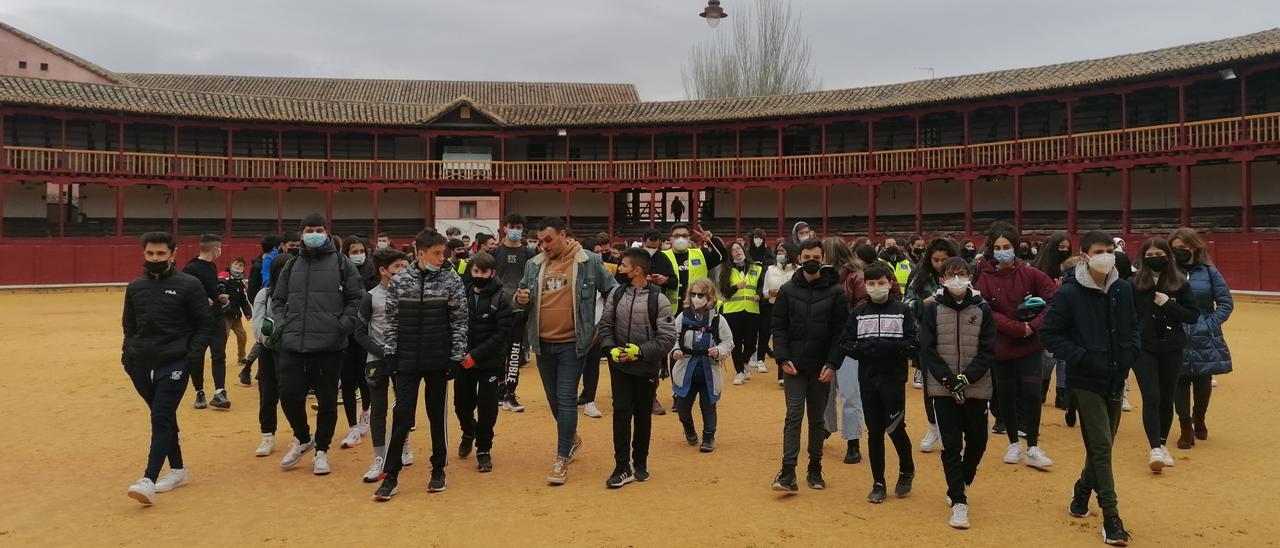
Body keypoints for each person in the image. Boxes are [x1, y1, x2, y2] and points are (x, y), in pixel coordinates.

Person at [1040, 230, 1137, 546]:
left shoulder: (1122, 288)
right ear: (1084, 255)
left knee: (1103, 445)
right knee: (1100, 446)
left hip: (1115, 377)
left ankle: (1081, 494)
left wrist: (1129, 354)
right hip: (1085, 379)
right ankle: (1111, 517)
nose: (1107, 255)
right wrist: (1083, 357)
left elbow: (1133, 328)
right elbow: (1050, 335)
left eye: (1110, 249)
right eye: (1099, 250)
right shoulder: (1069, 294)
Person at [513, 216, 617, 485]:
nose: (544, 245)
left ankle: (561, 458)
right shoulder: (533, 265)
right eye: (540, 241)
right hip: (542, 343)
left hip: (574, 343)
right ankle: (571, 438)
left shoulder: (590, 262)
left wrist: (600, 326)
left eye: (549, 239)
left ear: (563, 234)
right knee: (554, 401)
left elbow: (613, 293)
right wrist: (520, 298)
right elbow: (521, 298)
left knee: (567, 398)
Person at [373, 229, 468, 500]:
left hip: (438, 359)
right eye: (437, 253)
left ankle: (438, 469)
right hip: (406, 360)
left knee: (437, 415)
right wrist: (390, 353)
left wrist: (455, 357)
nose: (442, 258)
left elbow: (459, 322)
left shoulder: (452, 281)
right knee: (402, 415)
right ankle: (390, 475)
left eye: (443, 253)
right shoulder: (400, 281)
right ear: (421, 253)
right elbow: (391, 321)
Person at [121, 232, 215, 505]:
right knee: (164, 417)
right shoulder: (135, 287)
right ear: (144, 253)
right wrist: (127, 357)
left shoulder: (189, 285)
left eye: (161, 254)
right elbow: (129, 326)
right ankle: (178, 470)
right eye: (150, 253)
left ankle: (148, 479)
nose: (155, 258)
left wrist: (190, 358)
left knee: (160, 417)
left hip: (174, 362)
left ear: (173, 254)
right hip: (140, 364)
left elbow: (205, 324)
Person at [270, 214, 366, 476]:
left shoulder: (341, 262)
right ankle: (303, 438)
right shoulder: (292, 265)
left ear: (327, 232)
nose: (314, 233)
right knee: (288, 395)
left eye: (319, 229)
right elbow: (277, 300)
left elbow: (356, 298)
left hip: (328, 343)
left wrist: (342, 325)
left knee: (326, 400)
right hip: (293, 341)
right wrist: (282, 324)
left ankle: (322, 450)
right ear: (301, 234)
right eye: (309, 230)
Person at [918, 256, 996, 529]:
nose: (956, 279)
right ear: (941, 280)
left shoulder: (983, 309)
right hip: (942, 387)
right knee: (951, 445)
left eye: (961, 274)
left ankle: (963, 477)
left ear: (970, 276)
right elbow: (927, 348)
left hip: (977, 385)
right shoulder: (933, 309)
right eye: (950, 275)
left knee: (978, 442)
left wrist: (967, 377)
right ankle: (959, 500)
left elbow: (988, 349)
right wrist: (950, 380)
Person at [974, 225, 1058, 470]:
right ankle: (1013, 443)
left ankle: (1032, 445)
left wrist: (1032, 325)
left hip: (1030, 343)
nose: (1003, 252)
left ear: (1015, 247)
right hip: (1001, 345)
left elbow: (1054, 300)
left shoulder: (1031, 273)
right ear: (992, 249)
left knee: (1032, 394)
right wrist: (1015, 328)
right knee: (1006, 395)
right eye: (998, 248)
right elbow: (984, 308)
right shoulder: (984, 277)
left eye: (1007, 247)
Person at [770, 239, 848, 493]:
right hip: (793, 365)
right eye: (806, 256)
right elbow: (779, 328)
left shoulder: (836, 292)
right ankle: (787, 472)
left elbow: (840, 332)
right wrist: (782, 358)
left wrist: (833, 362)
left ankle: (815, 467)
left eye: (816, 256)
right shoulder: (787, 290)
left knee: (817, 419)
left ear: (823, 257)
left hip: (821, 366)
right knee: (793, 416)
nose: (810, 260)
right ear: (799, 258)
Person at [840, 262, 919, 504]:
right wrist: (863, 349)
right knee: (874, 432)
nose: (876, 287)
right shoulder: (859, 312)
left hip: (893, 379)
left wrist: (888, 347)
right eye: (871, 283)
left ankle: (907, 469)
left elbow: (914, 343)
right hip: (868, 379)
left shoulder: (902, 310)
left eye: (881, 283)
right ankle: (878, 482)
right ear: (865, 285)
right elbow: (846, 342)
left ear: (890, 283)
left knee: (895, 428)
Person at [598, 248, 677, 487]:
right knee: (621, 411)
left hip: (645, 368)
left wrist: (640, 352)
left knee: (643, 415)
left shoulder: (658, 300)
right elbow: (605, 324)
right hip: (619, 365)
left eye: (623, 265)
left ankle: (640, 461)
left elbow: (667, 338)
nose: (619, 268)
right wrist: (610, 348)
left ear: (637, 270)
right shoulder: (616, 294)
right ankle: (622, 466)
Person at [1131, 238, 1199, 471]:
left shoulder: (1180, 284)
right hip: (1144, 348)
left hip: (1172, 347)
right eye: (1149, 255)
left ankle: (1161, 443)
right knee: (1152, 396)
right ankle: (1155, 448)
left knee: (1167, 395)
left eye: (1158, 254)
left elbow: (1192, 315)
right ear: (1142, 258)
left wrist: (1169, 304)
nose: (1154, 258)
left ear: (1168, 256)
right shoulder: (1133, 284)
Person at [1169, 227, 1233, 450]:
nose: (1179, 252)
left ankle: (1200, 417)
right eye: (1174, 249)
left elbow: (1225, 303)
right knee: (1179, 379)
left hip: (1203, 333)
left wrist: (1208, 324)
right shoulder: (1168, 272)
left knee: (1203, 380)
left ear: (1195, 247)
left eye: (1183, 248)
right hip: (1175, 330)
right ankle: (1185, 425)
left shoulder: (1209, 272)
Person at [352, 249, 411, 482]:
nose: (402, 271)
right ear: (383, 271)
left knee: (404, 407)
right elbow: (359, 332)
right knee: (379, 409)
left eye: (404, 266)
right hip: (376, 360)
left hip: (404, 359)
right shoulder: (370, 297)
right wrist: (381, 351)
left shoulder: (411, 295)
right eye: (397, 267)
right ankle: (379, 459)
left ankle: (404, 444)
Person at [454, 251, 513, 473]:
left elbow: (501, 334)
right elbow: (456, 324)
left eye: (484, 271)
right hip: (463, 361)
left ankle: (483, 449)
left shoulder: (502, 298)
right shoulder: (462, 294)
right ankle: (468, 432)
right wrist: (461, 354)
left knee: (487, 409)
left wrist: (475, 356)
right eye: (475, 271)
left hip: (489, 363)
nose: (479, 275)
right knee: (461, 405)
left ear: (493, 273)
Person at [904, 238, 960, 453]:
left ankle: (952, 430)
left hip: (956, 337)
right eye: (935, 259)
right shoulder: (919, 276)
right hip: (926, 337)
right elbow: (906, 305)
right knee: (930, 386)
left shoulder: (961, 275)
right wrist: (925, 303)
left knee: (955, 383)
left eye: (944, 260)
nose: (939, 264)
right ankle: (933, 427)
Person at [671, 277, 734, 453]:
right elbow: (672, 338)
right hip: (686, 367)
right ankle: (689, 429)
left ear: (710, 296)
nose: (697, 298)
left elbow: (728, 342)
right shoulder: (683, 317)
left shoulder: (718, 320)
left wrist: (719, 351)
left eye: (701, 295)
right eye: (693, 294)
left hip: (709, 368)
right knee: (682, 407)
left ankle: (708, 437)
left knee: (708, 405)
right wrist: (675, 350)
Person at [493, 213, 536, 412]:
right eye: (512, 226)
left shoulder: (528, 253)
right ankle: (499, 391)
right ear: (505, 228)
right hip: (498, 309)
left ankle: (510, 393)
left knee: (515, 351)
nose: (515, 230)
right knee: (498, 352)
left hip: (520, 308)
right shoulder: (495, 252)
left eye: (519, 227)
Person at [184, 233, 231, 410]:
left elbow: (211, 290)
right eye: (220, 248)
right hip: (198, 321)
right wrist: (201, 299)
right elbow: (185, 294)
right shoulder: (191, 269)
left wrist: (221, 297)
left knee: (219, 354)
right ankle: (199, 391)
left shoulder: (211, 266)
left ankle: (220, 392)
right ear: (215, 248)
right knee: (197, 357)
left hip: (216, 317)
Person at [337, 238, 375, 450]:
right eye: (354, 251)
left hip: (366, 336)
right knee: (347, 381)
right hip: (346, 334)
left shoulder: (373, 274)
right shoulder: (339, 273)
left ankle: (366, 412)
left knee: (365, 379)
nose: (358, 254)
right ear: (346, 253)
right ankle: (352, 428)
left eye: (361, 251)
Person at [251, 256, 288, 458]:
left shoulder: (300, 295)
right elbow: (257, 327)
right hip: (268, 350)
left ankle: (300, 435)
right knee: (267, 394)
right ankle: (267, 435)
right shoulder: (264, 295)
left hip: (293, 352)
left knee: (292, 394)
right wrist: (273, 339)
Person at [1033, 232, 1074, 408]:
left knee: (1064, 357)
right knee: (1047, 357)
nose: (1064, 251)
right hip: (1045, 315)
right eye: (1061, 247)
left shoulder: (1072, 267)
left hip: (1068, 315)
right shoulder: (1038, 269)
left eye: (1067, 248)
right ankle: (1042, 388)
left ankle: (1062, 393)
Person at [578, 238, 618, 419]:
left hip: (596, 325)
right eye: (596, 251)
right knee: (574, 364)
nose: (600, 255)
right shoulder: (577, 273)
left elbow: (613, 292)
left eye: (601, 251)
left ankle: (589, 400)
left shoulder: (605, 273)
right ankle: (570, 397)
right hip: (575, 326)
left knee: (593, 363)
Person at [718, 241, 763, 386]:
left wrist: (759, 294)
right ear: (730, 255)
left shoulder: (757, 268)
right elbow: (724, 292)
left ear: (743, 250)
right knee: (736, 343)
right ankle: (739, 371)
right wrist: (736, 287)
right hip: (732, 311)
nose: (737, 251)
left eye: (738, 248)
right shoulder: (726, 270)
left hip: (752, 310)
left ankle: (744, 363)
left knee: (751, 342)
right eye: (733, 250)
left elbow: (762, 287)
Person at [761, 241, 798, 384]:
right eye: (778, 251)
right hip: (774, 307)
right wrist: (768, 292)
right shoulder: (770, 269)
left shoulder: (798, 270)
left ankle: (793, 367)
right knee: (779, 339)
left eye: (782, 251)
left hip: (794, 309)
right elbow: (764, 291)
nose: (780, 254)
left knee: (792, 338)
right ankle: (781, 374)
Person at [219, 257, 253, 386]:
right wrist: (222, 293)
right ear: (231, 265)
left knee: (242, 335)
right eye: (235, 264)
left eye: (240, 265)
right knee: (224, 335)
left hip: (236, 315)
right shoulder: (225, 275)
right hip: (225, 313)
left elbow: (244, 300)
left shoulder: (241, 282)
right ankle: (220, 357)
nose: (237, 266)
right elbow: (220, 283)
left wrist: (248, 312)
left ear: (244, 268)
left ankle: (241, 357)